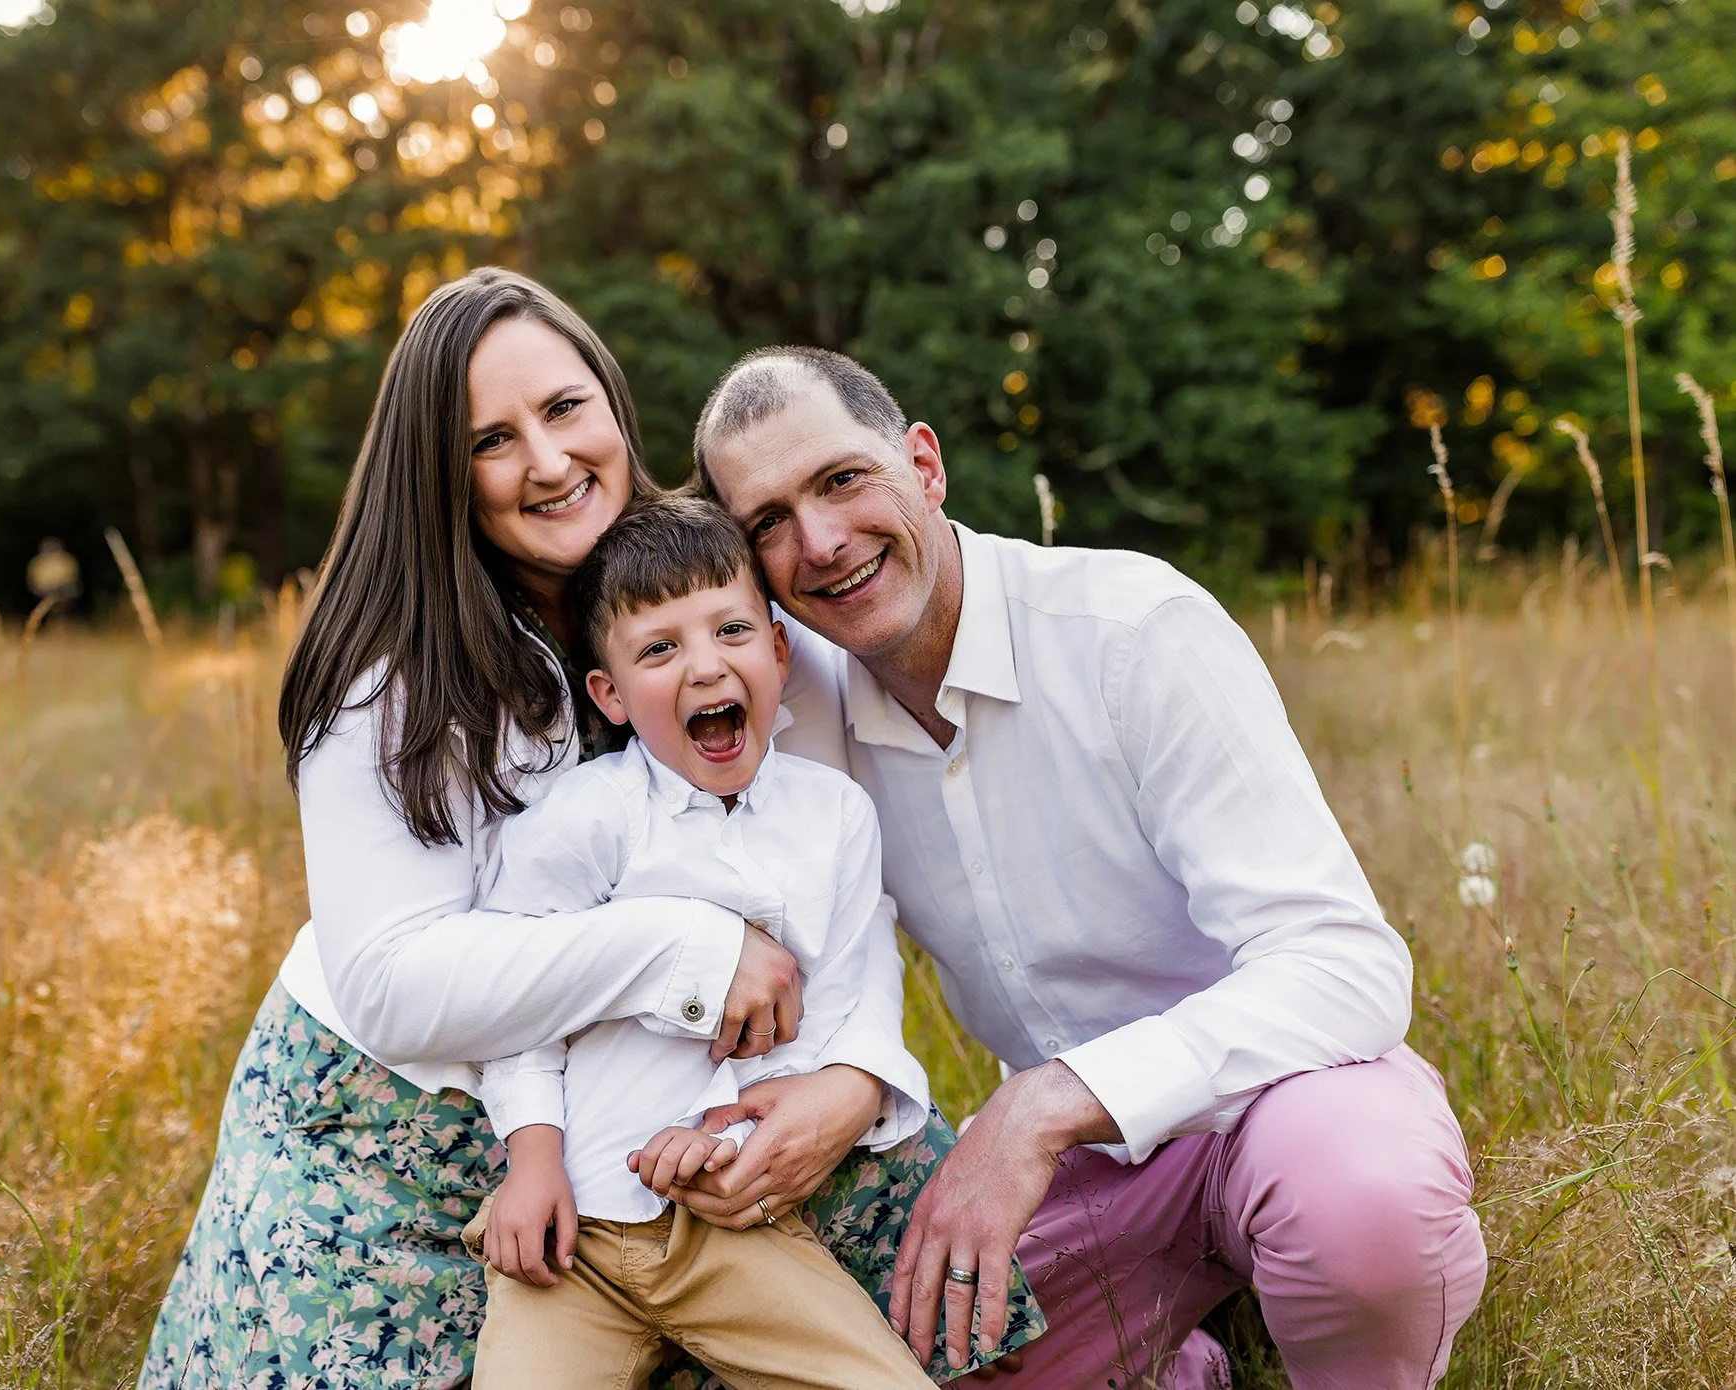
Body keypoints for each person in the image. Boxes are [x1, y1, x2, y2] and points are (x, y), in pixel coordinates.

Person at [138, 272, 1003, 1388]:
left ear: (611, 399)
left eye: (562, 409)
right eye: (491, 439)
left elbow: (839, 878)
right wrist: (686, 946)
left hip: (672, 1106)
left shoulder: (696, 577)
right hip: (399, 1127)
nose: (546, 461)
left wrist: (855, 1073)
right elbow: (393, 983)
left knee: (922, 1263)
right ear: (440, 474)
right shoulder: (392, 677)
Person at [690, 346, 1487, 1390]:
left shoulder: (1130, 632)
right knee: (886, 1357)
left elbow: (1343, 965)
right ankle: (1183, 1359)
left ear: (923, 466)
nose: (823, 541)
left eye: (842, 479)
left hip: (1277, 1106)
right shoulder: (799, 715)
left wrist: (1042, 1104)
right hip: (1083, 1177)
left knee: (1360, 1205)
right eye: (768, 523)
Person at [461, 495, 1042, 1387]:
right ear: (608, 695)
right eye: (660, 649)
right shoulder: (587, 819)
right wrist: (532, 1159)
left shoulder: (834, 818)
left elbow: (841, 1008)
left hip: (736, 1231)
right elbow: (516, 999)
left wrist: (723, 1142)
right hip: (573, 1233)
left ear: (776, 652)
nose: (704, 668)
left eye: (731, 631)